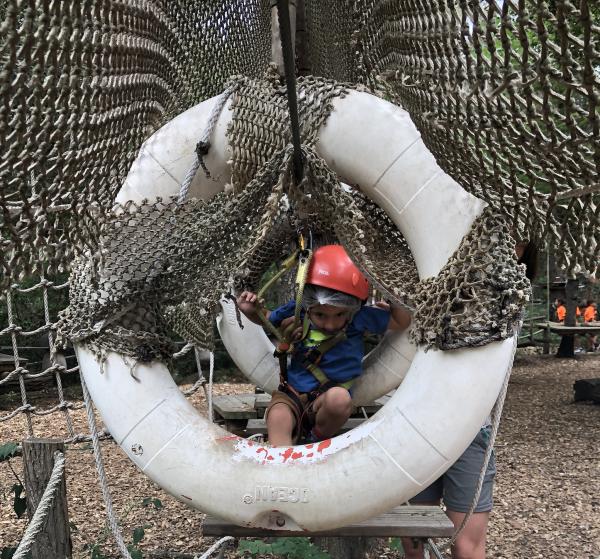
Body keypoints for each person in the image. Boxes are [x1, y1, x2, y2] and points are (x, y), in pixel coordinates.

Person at [402, 241, 539, 559]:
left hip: (470, 428)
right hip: (414, 423)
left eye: (515, 240)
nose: (503, 244)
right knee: (415, 538)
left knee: (465, 544)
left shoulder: (507, 300)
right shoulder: (438, 278)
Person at [237, 244, 411, 447]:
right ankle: (283, 462)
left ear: (352, 309)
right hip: (293, 394)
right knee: (277, 417)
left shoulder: (359, 317)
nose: (330, 324)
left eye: (339, 315)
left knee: (339, 400)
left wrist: (392, 297)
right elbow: (267, 318)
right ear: (308, 305)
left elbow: (401, 323)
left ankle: (314, 442)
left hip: (330, 397)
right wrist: (250, 310)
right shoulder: (299, 311)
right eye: (320, 315)